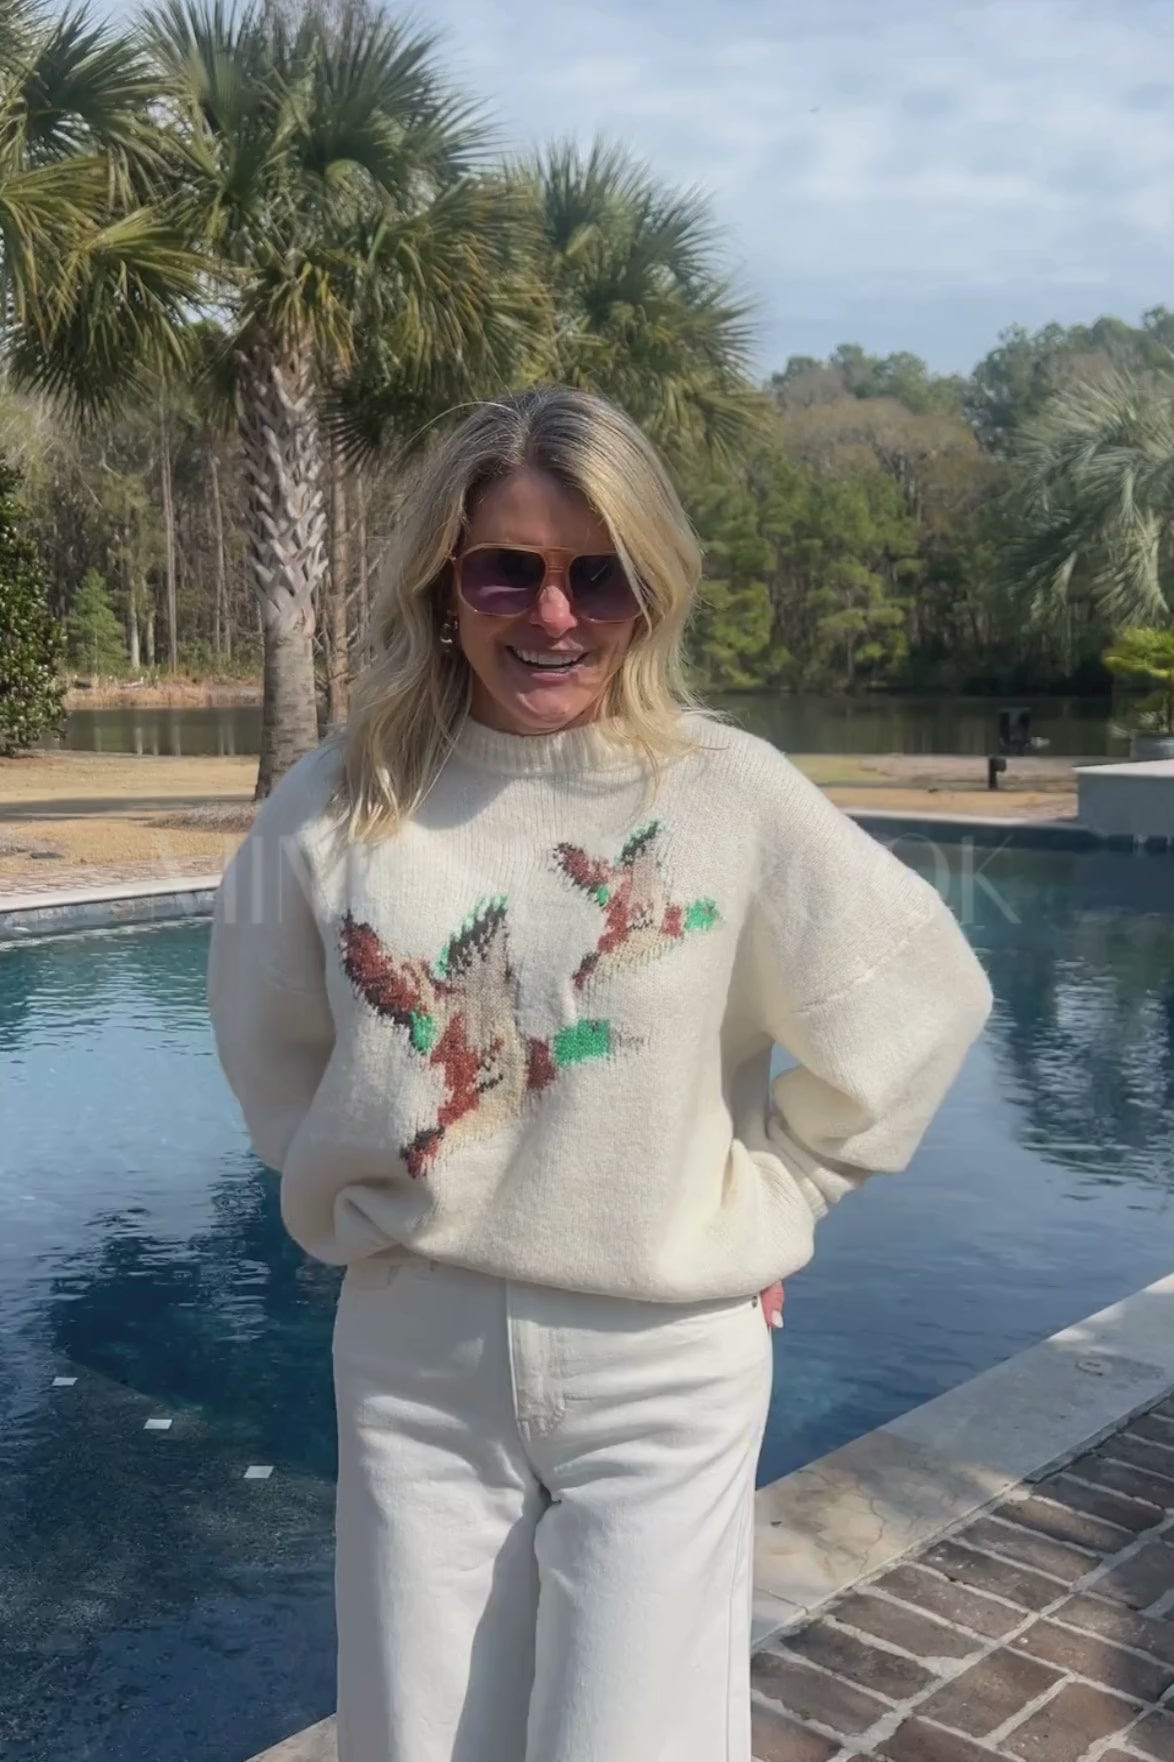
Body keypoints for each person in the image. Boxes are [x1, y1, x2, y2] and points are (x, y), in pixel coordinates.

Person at [207, 386, 992, 1762]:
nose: (554, 615)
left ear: (650, 589)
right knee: (414, 1740)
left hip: (662, 1365)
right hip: (414, 1357)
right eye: (507, 570)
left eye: (600, 575)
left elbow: (917, 1001)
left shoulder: (725, 792)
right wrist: (384, 1185)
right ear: (443, 581)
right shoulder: (340, 803)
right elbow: (271, 1047)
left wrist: (772, 1193)